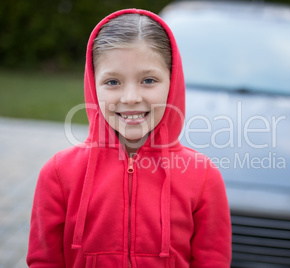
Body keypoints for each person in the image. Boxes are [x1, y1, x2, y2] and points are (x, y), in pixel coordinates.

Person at [27, 9, 232, 267]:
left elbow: (213, 261)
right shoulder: (58, 174)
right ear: (93, 84)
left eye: (148, 80)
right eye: (113, 82)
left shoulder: (203, 176)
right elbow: (43, 261)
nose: (131, 97)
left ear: (173, 81)